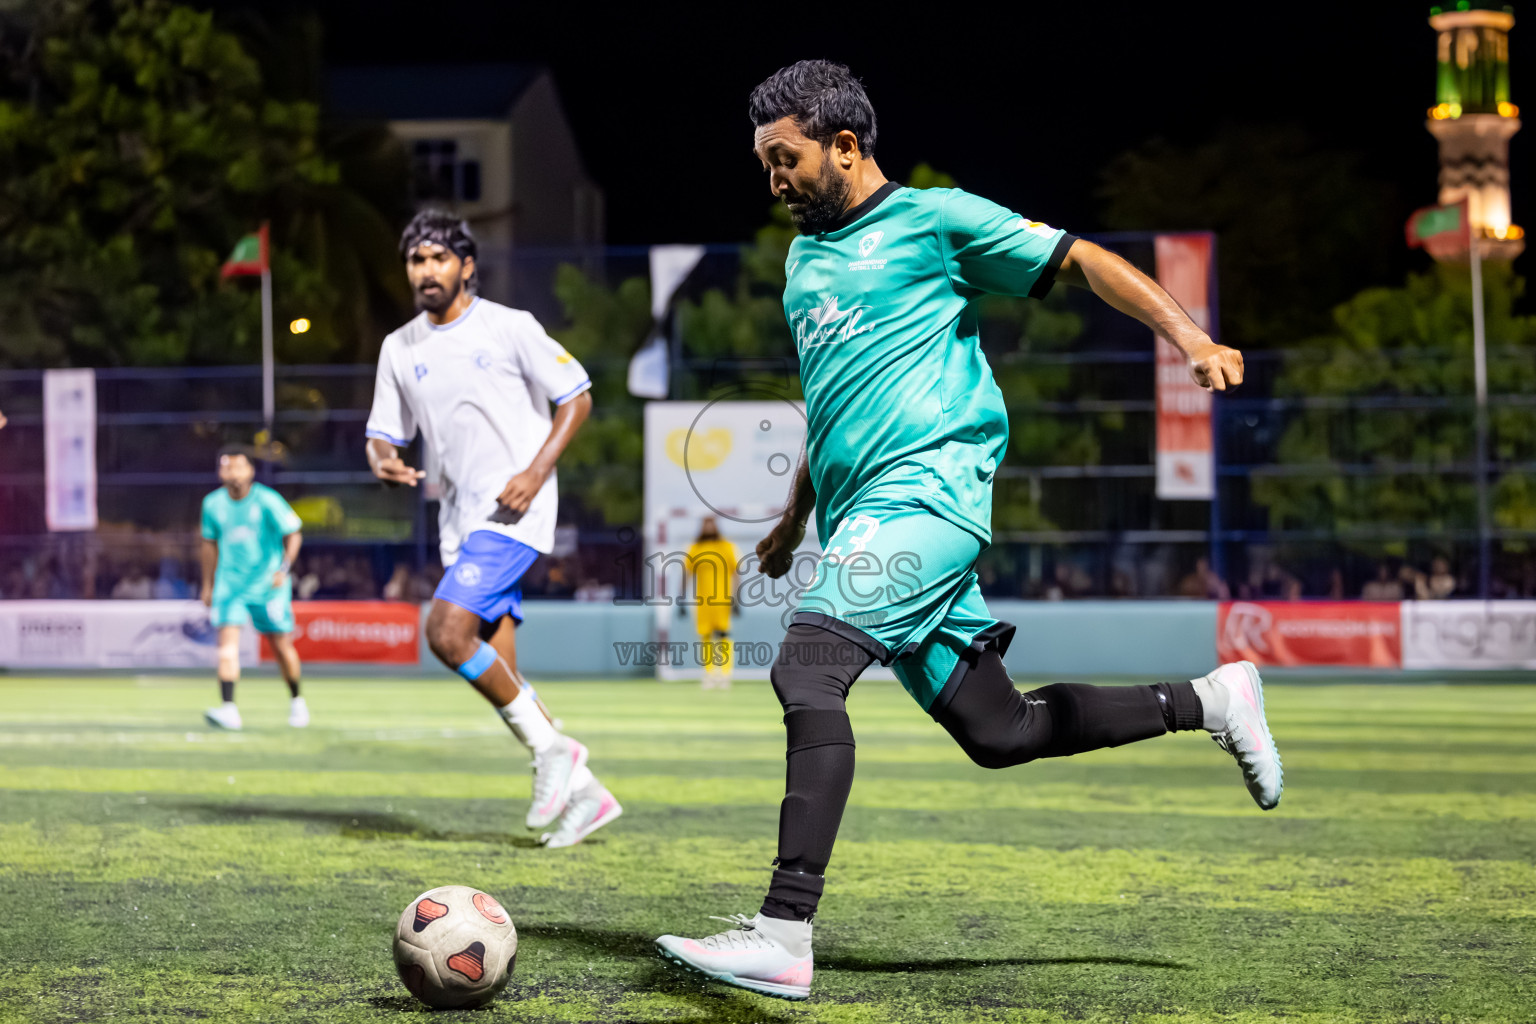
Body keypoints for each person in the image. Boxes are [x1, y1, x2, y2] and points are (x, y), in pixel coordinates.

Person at [654, 61, 1284, 1000]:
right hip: (865, 515)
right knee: (1002, 730)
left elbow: (1083, 259)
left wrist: (1188, 338)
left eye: (785, 159)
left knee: (806, 670)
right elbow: (833, 415)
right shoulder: (800, 264)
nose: (773, 180)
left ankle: (785, 930)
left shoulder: (935, 221)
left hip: (932, 497)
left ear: (845, 146)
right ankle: (1211, 699)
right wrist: (794, 524)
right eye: (763, 165)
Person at [364, 209, 620, 849]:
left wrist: (535, 473)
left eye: (438, 258)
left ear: (466, 266)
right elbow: (383, 433)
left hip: (513, 511)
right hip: (459, 520)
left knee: (446, 633)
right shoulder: (400, 347)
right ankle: (585, 794)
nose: (426, 271)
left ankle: (559, 759)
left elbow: (578, 397)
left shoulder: (510, 327)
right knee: (503, 677)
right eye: (416, 260)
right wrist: (382, 460)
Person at [199, 446, 307, 731]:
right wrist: (208, 585)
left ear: (250, 471)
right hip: (229, 585)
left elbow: (293, 534)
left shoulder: (268, 500)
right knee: (227, 648)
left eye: (237, 466)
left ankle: (297, 700)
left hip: (267, 586)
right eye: (226, 467)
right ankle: (229, 709)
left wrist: (283, 569)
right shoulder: (212, 504)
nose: (231, 472)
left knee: (280, 646)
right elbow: (208, 545)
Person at [686, 516, 738, 689]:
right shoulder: (695, 548)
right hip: (702, 601)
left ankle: (725, 673)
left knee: (723, 634)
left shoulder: (726, 547)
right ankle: (709, 673)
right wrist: (680, 598)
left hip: (723, 600)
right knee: (706, 636)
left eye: (711, 524)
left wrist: (736, 599)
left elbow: (736, 573)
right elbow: (686, 573)